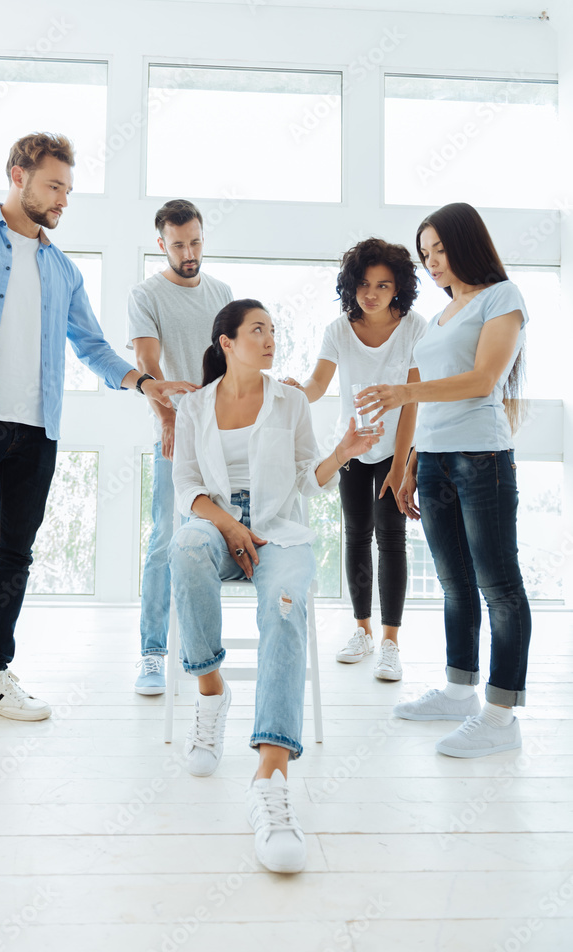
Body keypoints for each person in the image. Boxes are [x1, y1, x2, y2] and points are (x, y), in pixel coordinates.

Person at [0, 132, 195, 748]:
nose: (63, 198)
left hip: (36, 432)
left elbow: (89, 342)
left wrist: (144, 382)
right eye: (54, 185)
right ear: (18, 175)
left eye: (68, 187)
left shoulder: (60, 266)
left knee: (15, 555)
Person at [168, 299, 382, 873]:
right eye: (256, 330)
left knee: (286, 609)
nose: (269, 339)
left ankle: (271, 780)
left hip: (280, 535)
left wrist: (343, 453)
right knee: (184, 548)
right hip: (216, 527)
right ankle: (211, 690)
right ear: (226, 342)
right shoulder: (193, 408)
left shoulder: (290, 401)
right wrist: (231, 527)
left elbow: (307, 479)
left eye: (273, 331)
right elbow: (187, 485)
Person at [356, 202, 531, 758]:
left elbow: (482, 380)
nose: (431, 262)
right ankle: (460, 691)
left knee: (499, 587)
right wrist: (407, 464)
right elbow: (431, 404)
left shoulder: (503, 298)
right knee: (455, 584)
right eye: (425, 253)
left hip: (481, 459)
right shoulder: (440, 317)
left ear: (467, 243)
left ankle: (500, 716)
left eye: (439, 249)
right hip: (433, 462)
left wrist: (403, 393)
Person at [283, 239, 426, 680]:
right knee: (356, 537)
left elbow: (412, 403)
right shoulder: (339, 329)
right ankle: (362, 630)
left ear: (398, 287)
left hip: (396, 449)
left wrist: (401, 465)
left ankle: (390, 642)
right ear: (351, 285)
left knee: (392, 539)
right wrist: (294, 391)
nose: (372, 293)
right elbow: (318, 385)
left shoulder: (416, 328)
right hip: (353, 448)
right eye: (364, 284)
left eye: (383, 285)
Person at [127, 200, 232, 695]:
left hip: (223, 435)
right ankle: (152, 652)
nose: (188, 253)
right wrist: (168, 418)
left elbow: (235, 366)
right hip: (173, 431)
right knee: (166, 539)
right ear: (161, 244)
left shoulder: (223, 293)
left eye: (194, 242)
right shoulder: (146, 295)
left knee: (212, 539)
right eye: (177, 245)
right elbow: (148, 366)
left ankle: (205, 655)